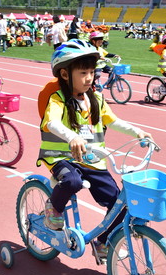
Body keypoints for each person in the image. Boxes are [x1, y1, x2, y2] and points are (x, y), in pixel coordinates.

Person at [38, 39, 152, 260]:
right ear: (64, 74)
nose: (89, 78)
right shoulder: (58, 99)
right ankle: (53, 208)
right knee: (73, 182)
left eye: (91, 72)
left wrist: (138, 132)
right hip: (62, 157)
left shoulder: (97, 98)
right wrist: (71, 137)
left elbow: (114, 121)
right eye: (83, 73)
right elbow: (51, 123)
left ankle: (102, 243)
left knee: (119, 205)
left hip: (92, 160)